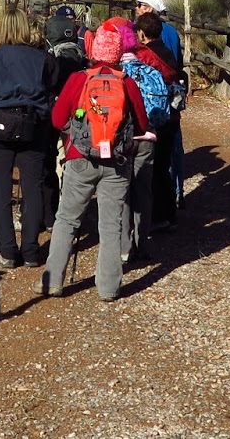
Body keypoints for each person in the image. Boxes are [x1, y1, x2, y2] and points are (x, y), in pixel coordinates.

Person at [41, 23, 149, 302]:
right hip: (117, 161)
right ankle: (108, 288)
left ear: (92, 50)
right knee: (111, 224)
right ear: (118, 54)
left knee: (66, 219)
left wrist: (74, 133)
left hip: (80, 157)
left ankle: (52, 281)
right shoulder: (127, 83)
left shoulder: (78, 79)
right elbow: (141, 125)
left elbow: (56, 119)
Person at [0, 3, 61, 269]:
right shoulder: (41, 59)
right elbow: (51, 91)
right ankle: (32, 251)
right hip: (31, 127)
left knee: (1, 190)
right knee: (32, 187)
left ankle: (8, 251)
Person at [134, 0, 187, 215]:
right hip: (172, 102)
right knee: (172, 150)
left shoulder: (150, 46)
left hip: (156, 106)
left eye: (141, 5)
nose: (137, 8)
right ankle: (175, 195)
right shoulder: (172, 33)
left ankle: (159, 208)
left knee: (157, 161)